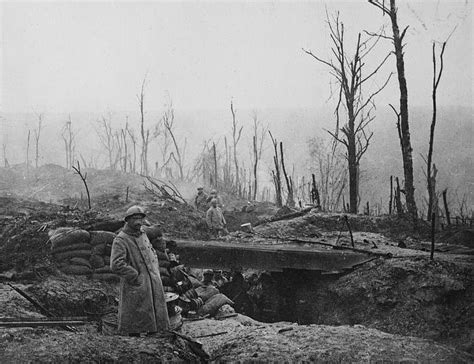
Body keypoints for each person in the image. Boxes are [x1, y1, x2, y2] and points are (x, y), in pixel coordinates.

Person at [111, 205, 170, 336]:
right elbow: (116, 264)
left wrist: (154, 270)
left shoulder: (143, 234)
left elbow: (150, 251)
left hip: (151, 280)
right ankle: (135, 340)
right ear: (127, 220)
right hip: (136, 284)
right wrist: (135, 276)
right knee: (135, 316)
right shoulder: (121, 239)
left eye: (140, 218)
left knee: (153, 313)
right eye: (135, 219)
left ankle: (153, 333)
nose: (138, 222)